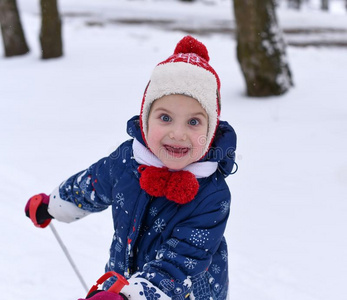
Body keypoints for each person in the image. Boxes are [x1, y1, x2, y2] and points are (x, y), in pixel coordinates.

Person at [25, 35, 237, 300]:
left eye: (194, 122)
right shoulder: (128, 161)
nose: (178, 133)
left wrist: (129, 296)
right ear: (146, 118)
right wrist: (53, 205)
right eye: (165, 117)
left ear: (212, 128)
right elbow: (92, 184)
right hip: (121, 279)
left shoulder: (212, 196)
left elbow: (179, 264)